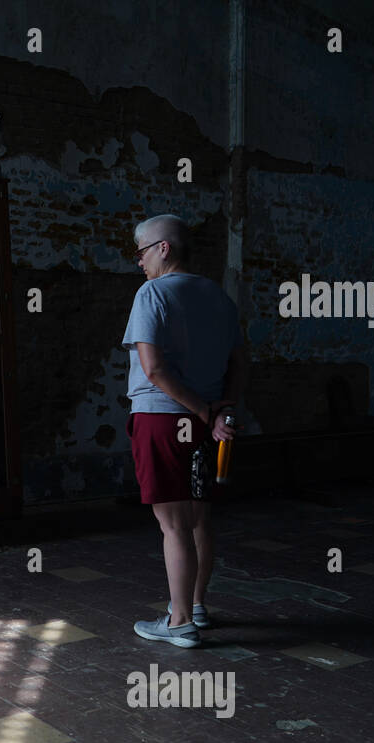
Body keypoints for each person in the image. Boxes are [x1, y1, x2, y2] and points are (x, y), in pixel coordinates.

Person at [121, 214, 247, 648]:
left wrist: (202, 410)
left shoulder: (152, 293)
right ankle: (195, 606)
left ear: (163, 248)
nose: (139, 262)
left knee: (173, 524)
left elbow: (153, 369)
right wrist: (219, 412)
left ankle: (178, 624)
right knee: (199, 519)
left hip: (161, 418)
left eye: (140, 251)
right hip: (204, 424)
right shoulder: (220, 298)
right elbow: (239, 363)